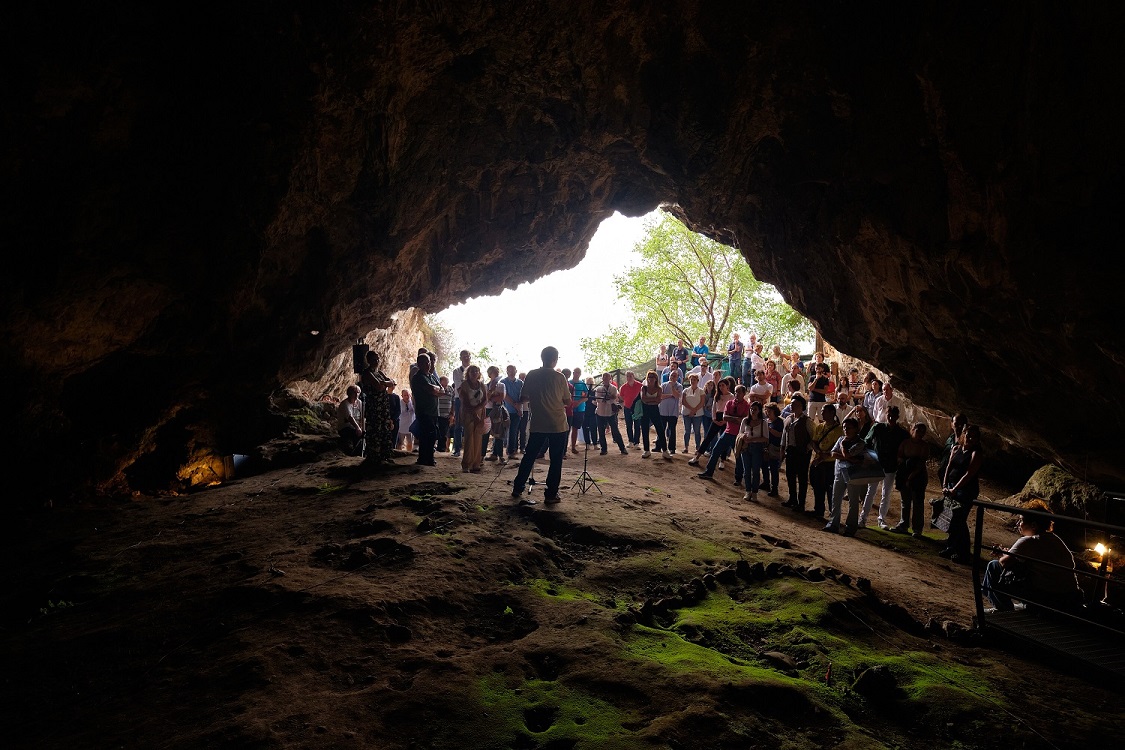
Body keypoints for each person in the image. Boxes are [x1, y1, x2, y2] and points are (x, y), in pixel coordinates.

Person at [982, 500, 1084, 612]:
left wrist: (1003, 555)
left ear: (1034, 525)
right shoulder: (1056, 539)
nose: (1018, 524)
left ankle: (1004, 609)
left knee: (993, 566)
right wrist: (1007, 555)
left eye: (1021, 520)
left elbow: (1004, 563)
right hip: (1070, 596)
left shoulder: (1029, 541)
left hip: (1047, 597)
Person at [511, 347, 572, 504]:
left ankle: (518, 487)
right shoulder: (560, 377)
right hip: (557, 424)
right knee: (556, 459)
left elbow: (523, 396)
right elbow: (567, 401)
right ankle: (551, 494)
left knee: (529, 456)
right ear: (554, 360)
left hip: (538, 423)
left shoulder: (532, 374)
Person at [823, 417, 883, 535]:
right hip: (839, 473)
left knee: (853, 501)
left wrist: (844, 448)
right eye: (844, 427)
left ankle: (850, 527)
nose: (846, 430)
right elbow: (834, 453)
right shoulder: (842, 439)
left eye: (849, 428)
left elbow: (847, 453)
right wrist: (850, 457)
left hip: (854, 476)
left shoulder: (860, 442)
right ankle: (833, 524)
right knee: (836, 499)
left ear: (856, 429)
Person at [940, 424, 983, 563]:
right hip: (952, 486)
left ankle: (963, 552)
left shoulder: (976, 454)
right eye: (968, 435)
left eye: (974, 437)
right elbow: (949, 466)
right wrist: (945, 485)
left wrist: (955, 489)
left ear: (977, 440)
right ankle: (951, 547)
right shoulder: (957, 448)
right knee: (951, 517)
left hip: (966, 491)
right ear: (964, 434)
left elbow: (969, 474)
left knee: (959, 519)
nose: (970, 438)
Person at [863, 405, 910, 529]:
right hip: (876, 464)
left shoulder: (901, 433)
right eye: (889, 414)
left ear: (897, 417)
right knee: (871, 492)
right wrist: (870, 458)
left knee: (886, 493)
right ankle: (863, 518)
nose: (890, 417)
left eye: (893, 415)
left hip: (891, 466)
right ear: (885, 413)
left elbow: (906, 448)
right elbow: (867, 441)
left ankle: (881, 519)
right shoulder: (878, 427)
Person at [696, 384, 749, 479]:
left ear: (744, 393)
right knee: (716, 451)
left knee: (738, 456)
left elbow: (743, 420)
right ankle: (709, 472)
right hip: (728, 432)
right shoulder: (729, 403)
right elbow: (725, 417)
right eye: (736, 392)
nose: (737, 394)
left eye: (739, 392)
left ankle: (739, 478)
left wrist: (732, 418)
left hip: (738, 435)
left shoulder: (746, 405)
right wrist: (736, 419)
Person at [932, 413, 968, 527]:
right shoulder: (950, 439)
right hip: (947, 479)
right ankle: (948, 535)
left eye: (961, 425)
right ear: (952, 424)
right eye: (956, 424)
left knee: (957, 512)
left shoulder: (965, 444)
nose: (958, 427)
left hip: (957, 482)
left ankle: (955, 539)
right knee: (947, 508)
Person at [894, 422, 930, 537]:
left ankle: (917, 529)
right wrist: (904, 467)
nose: (920, 434)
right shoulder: (905, 443)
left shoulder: (924, 446)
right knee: (905, 501)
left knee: (918, 502)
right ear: (912, 430)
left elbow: (921, 464)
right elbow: (899, 456)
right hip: (905, 473)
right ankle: (903, 525)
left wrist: (911, 476)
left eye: (922, 432)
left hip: (918, 477)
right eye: (918, 430)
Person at [689, 377, 734, 468]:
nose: (721, 387)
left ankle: (722, 460)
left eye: (723, 385)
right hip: (716, 418)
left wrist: (725, 421)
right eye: (720, 386)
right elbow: (714, 408)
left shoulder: (731, 396)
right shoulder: (717, 395)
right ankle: (697, 457)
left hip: (726, 418)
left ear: (727, 386)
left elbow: (732, 410)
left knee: (724, 440)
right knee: (708, 437)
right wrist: (714, 419)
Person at [808, 404, 843, 520]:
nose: (821, 413)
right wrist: (819, 452)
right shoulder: (820, 427)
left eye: (824, 411)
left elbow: (837, 445)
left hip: (830, 462)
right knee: (818, 487)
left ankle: (833, 514)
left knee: (830, 488)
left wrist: (823, 455)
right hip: (820, 460)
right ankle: (819, 510)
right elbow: (814, 441)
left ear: (832, 413)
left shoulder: (839, 429)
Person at [409, 354, 442, 466]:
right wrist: (435, 390)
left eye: (428, 362)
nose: (427, 365)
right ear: (419, 364)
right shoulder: (418, 377)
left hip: (433, 411)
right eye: (424, 363)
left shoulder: (431, 376)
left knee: (432, 435)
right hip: (424, 411)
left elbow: (442, 390)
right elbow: (431, 388)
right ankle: (424, 459)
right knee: (426, 435)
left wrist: (435, 390)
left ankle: (428, 457)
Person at [781, 395, 812, 510]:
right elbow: (784, 436)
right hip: (791, 450)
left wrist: (807, 449)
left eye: (795, 404)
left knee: (802, 478)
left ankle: (801, 503)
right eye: (791, 404)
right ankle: (792, 498)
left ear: (801, 407)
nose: (792, 406)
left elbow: (813, 438)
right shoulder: (789, 418)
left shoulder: (807, 421)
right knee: (790, 475)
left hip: (802, 452)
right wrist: (782, 449)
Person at [458, 365, 487, 473]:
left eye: (476, 371)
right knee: (469, 437)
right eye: (472, 371)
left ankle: (476, 463)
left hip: (480, 412)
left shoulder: (481, 385)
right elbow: (464, 402)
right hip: (468, 413)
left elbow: (485, 400)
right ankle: (466, 464)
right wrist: (474, 413)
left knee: (478, 437)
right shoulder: (464, 385)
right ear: (468, 373)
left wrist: (478, 411)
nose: (474, 373)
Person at [738, 400, 769, 501]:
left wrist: (753, 439)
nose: (753, 411)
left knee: (755, 471)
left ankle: (754, 492)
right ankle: (748, 491)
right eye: (751, 409)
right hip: (746, 447)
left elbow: (766, 438)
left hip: (757, 448)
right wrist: (744, 437)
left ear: (759, 411)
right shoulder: (745, 421)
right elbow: (740, 433)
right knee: (746, 471)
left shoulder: (763, 423)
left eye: (755, 409)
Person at [594, 372, 628, 455]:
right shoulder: (598, 389)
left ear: (610, 379)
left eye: (607, 377)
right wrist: (607, 398)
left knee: (615, 431)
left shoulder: (613, 388)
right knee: (601, 432)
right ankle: (603, 449)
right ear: (602, 379)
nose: (605, 379)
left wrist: (606, 399)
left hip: (610, 413)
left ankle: (622, 448)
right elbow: (598, 400)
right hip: (600, 413)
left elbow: (613, 399)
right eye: (604, 377)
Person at [638, 370, 667, 458]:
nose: (650, 379)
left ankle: (665, 450)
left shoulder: (659, 388)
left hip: (654, 410)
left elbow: (658, 400)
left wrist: (649, 400)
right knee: (645, 429)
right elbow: (643, 399)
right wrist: (653, 400)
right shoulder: (644, 388)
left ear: (655, 379)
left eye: (652, 377)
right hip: (645, 410)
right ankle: (647, 450)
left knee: (660, 429)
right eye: (649, 377)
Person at [484, 366, 509, 463]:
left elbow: (501, 397)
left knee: (499, 433)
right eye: (494, 372)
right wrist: (492, 393)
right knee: (485, 433)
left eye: (497, 372)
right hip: (488, 410)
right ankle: (482, 455)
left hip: (498, 409)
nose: (496, 374)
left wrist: (492, 396)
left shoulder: (501, 385)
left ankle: (500, 455)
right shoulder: (486, 386)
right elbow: (486, 398)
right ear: (489, 374)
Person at [450, 350, 471, 458]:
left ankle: (469, 449)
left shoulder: (474, 370)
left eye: (467, 356)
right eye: (464, 356)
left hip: (472, 400)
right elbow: (458, 387)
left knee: (470, 425)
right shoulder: (457, 371)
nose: (466, 358)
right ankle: (457, 449)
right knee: (458, 424)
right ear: (460, 358)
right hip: (460, 399)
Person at [659, 367, 683, 458]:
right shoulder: (663, 385)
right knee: (661, 429)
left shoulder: (679, 386)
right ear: (669, 376)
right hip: (663, 411)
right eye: (671, 375)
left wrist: (672, 387)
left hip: (673, 412)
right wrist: (670, 395)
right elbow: (660, 396)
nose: (672, 377)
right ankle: (660, 446)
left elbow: (677, 396)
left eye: (674, 376)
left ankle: (672, 448)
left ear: (677, 377)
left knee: (672, 430)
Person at [501, 365, 524, 459]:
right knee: (502, 431)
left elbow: (523, 395)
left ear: (516, 371)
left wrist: (519, 407)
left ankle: (511, 451)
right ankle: (498, 452)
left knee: (513, 431)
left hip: (517, 411)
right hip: (505, 410)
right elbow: (504, 396)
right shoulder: (503, 382)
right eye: (509, 370)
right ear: (507, 371)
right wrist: (515, 405)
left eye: (513, 370)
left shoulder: (520, 383)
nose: (511, 372)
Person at [680, 373, 706, 454]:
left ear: (697, 381)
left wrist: (694, 410)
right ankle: (686, 447)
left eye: (694, 380)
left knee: (697, 431)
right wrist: (691, 409)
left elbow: (702, 402)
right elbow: (683, 401)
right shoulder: (685, 390)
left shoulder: (701, 391)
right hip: (687, 413)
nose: (692, 381)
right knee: (687, 430)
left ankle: (698, 448)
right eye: (691, 380)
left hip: (697, 414)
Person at [336, 384, 365, 456]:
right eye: (354, 392)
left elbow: (362, 416)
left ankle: (361, 453)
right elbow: (350, 417)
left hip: (356, 425)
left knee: (365, 433)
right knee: (357, 434)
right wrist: (358, 427)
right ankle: (356, 455)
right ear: (349, 393)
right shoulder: (345, 404)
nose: (356, 394)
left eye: (358, 392)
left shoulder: (359, 402)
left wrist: (362, 426)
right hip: (345, 427)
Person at [763, 403, 784, 497]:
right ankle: (766, 482)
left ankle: (774, 488)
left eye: (769, 411)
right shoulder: (766, 421)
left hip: (775, 447)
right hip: (766, 446)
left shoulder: (779, 422)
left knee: (773, 468)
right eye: (766, 410)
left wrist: (769, 429)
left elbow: (779, 434)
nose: (767, 413)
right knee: (764, 465)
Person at [619, 371, 643, 448]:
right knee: (629, 425)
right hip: (627, 407)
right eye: (627, 376)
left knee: (637, 425)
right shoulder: (623, 387)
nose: (629, 378)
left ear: (633, 376)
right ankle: (630, 441)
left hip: (637, 408)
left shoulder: (640, 385)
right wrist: (627, 401)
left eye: (630, 376)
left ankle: (637, 442)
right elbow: (621, 396)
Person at [569, 367, 589, 454]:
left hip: (580, 409)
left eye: (578, 372)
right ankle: (564, 449)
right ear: (573, 373)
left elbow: (586, 397)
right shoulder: (568, 383)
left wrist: (578, 402)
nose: (576, 374)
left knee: (576, 428)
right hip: (569, 408)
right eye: (575, 372)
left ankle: (573, 447)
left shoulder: (582, 384)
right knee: (566, 428)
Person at [436, 376, 455, 453]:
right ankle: (434, 447)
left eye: (447, 384)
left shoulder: (451, 389)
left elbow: (453, 401)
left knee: (444, 432)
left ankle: (442, 448)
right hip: (437, 413)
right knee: (436, 431)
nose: (445, 386)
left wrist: (452, 413)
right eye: (444, 384)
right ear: (440, 382)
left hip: (446, 414)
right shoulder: (437, 388)